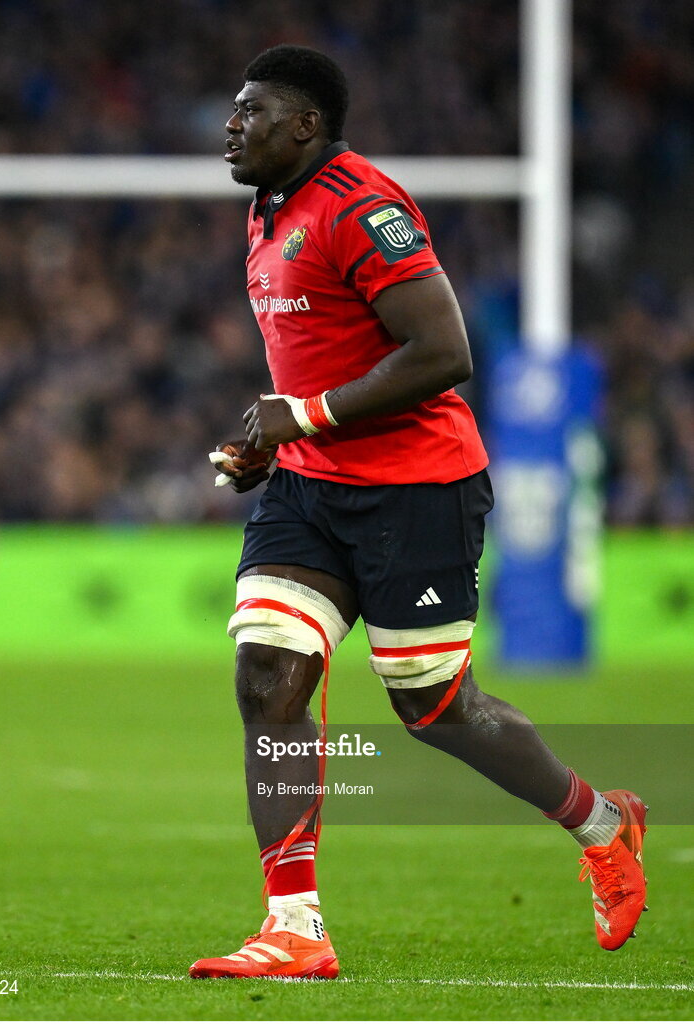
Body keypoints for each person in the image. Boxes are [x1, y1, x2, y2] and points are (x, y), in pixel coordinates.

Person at [189, 45, 647, 980]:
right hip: (310, 492)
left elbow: (443, 351)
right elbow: (317, 360)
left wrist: (304, 415)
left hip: (417, 489)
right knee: (267, 678)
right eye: (234, 111)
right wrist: (274, 439)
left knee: (433, 708)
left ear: (306, 125)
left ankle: (603, 822)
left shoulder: (365, 208)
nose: (232, 125)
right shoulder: (267, 209)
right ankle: (293, 927)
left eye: (252, 110)